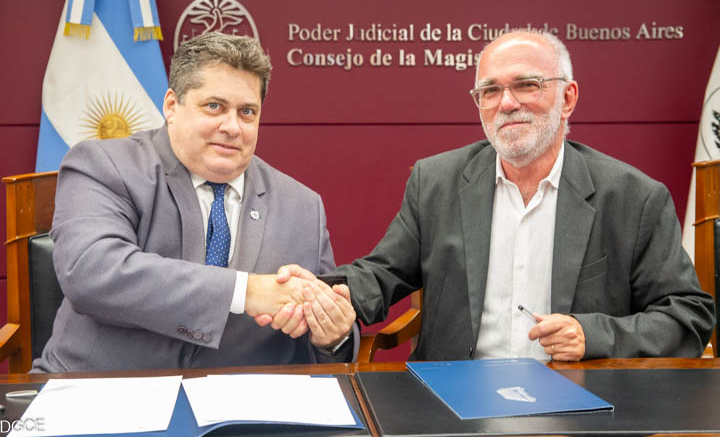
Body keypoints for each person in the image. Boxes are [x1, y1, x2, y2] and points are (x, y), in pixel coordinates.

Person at [270, 30, 715, 361]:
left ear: (567, 98)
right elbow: (383, 274)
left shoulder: (633, 198)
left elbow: (688, 316)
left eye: (526, 85)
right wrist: (321, 294)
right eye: (490, 90)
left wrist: (593, 335)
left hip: (580, 401)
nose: (506, 103)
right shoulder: (436, 181)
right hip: (453, 403)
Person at [33, 32, 355, 372]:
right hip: (104, 386)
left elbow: (323, 345)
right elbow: (91, 272)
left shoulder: (302, 207)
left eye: (247, 112)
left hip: (244, 395)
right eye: (214, 106)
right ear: (172, 106)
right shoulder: (104, 165)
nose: (232, 127)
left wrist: (333, 335)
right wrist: (246, 291)